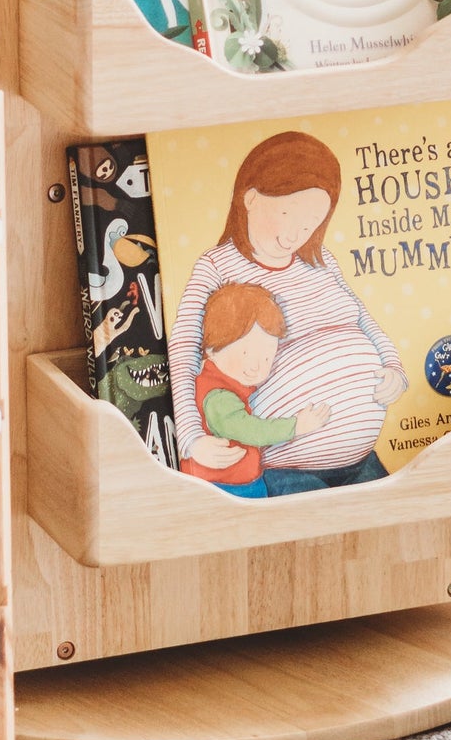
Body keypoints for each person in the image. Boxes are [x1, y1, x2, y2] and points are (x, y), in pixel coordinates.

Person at [170, 129, 410, 493]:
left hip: (362, 461)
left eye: (310, 222)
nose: (295, 234)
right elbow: (184, 352)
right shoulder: (216, 267)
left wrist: (393, 367)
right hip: (287, 468)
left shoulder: (321, 260)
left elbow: (363, 319)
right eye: (287, 213)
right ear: (250, 197)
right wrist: (190, 437)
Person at [183, 284, 331, 499]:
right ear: (212, 349)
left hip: (236, 485)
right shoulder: (219, 396)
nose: (256, 366)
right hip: (227, 488)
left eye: (266, 357)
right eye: (246, 353)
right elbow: (250, 430)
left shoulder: (224, 383)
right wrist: (296, 426)